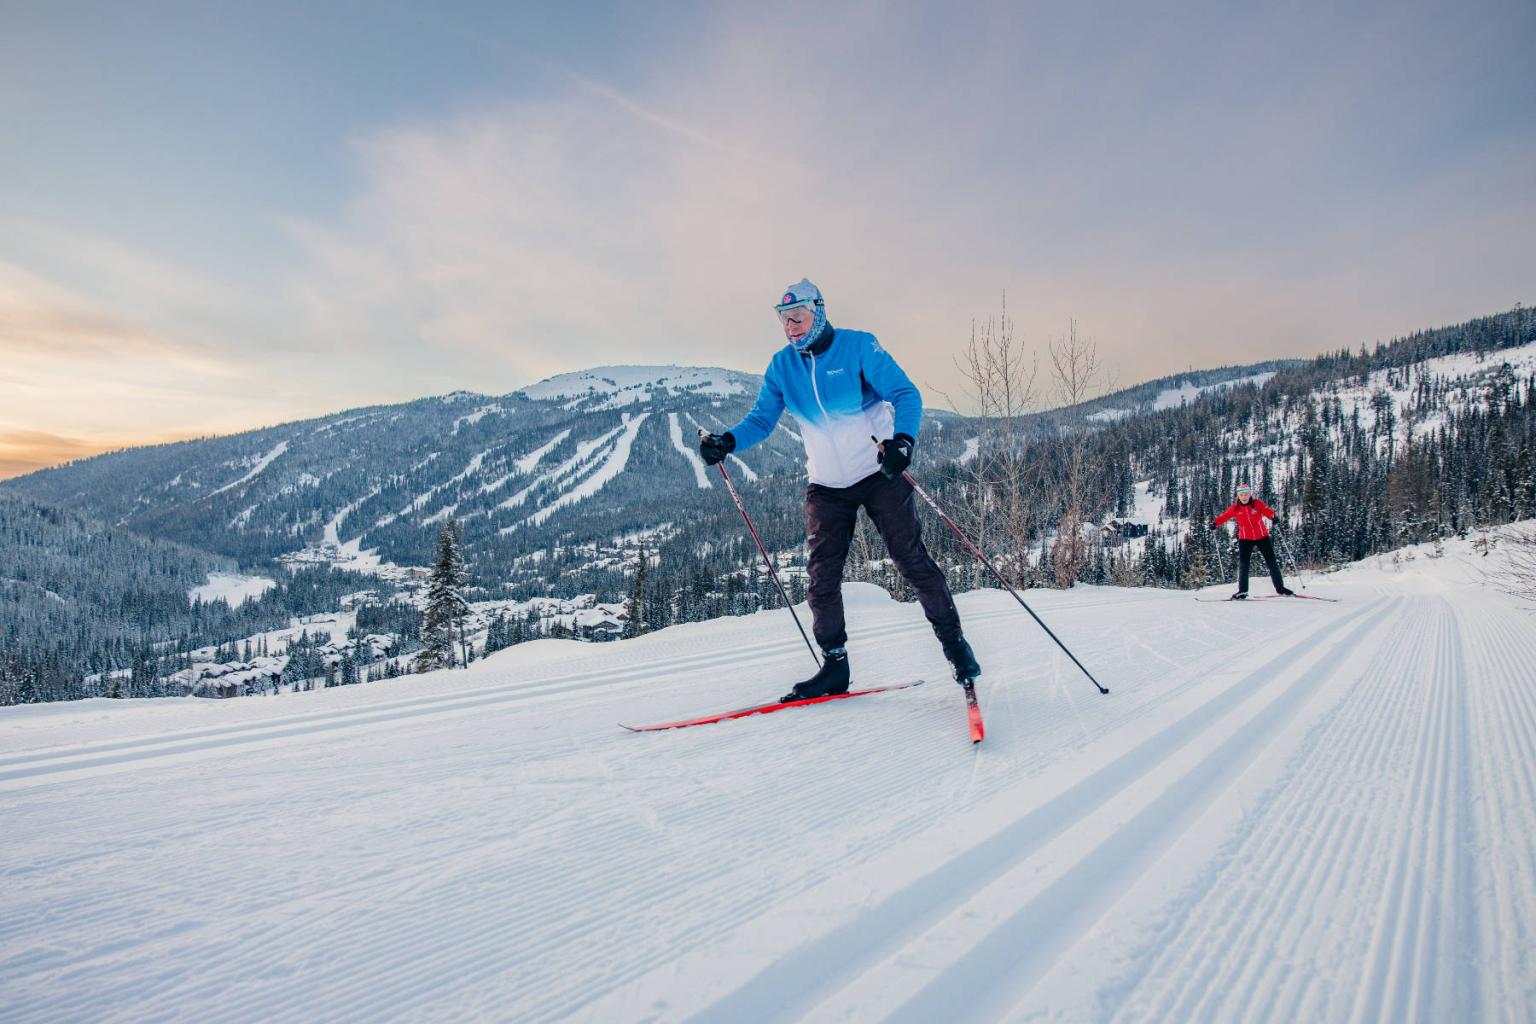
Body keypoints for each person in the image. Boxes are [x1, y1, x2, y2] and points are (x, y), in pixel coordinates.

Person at [699, 278, 981, 702]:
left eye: (797, 317)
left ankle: (956, 649)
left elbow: (906, 393)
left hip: (879, 473)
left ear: (819, 312)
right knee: (821, 579)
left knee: (911, 561)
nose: (791, 327)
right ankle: (834, 666)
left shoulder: (858, 347)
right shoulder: (782, 367)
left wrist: (902, 441)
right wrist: (728, 442)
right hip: (827, 485)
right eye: (783, 319)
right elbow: (761, 419)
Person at [1211, 484, 1294, 599]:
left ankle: (1280, 588)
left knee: (1272, 563)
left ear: (1250, 494)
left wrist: (1273, 516)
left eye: (1246, 494)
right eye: (1241, 495)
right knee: (1244, 566)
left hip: (1262, 537)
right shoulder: (1235, 508)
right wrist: (1215, 523)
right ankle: (1243, 591)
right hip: (1245, 539)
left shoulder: (1257, 504)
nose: (1244, 497)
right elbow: (1225, 516)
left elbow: (1267, 511)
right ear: (1238, 496)